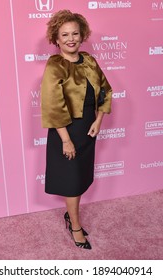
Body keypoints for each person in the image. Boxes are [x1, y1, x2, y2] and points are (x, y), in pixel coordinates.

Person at [41, 10, 112, 250]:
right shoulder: (55, 65)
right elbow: (52, 105)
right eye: (64, 35)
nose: (71, 38)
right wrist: (66, 140)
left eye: (75, 33)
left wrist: (99, 119)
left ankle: (71, 217)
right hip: (66, 132)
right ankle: (76, 226)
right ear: (56, 39)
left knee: (79, 180)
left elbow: (105, 90)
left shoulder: (90, 61)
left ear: (82, 36)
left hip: (87, 130)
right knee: (71, 182)